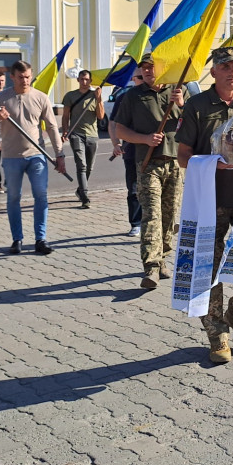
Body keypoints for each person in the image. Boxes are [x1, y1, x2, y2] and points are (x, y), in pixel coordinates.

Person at [176, 46, 233, 363]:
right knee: (208, 271)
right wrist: (212, 164)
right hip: (209, 202)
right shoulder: (197, 106)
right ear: (213, 71)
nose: (232, 71)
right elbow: (183, 156)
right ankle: (217, 334)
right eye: (225, 66)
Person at [109, 53, 184, 289]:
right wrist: (144, 138)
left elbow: (194, 124)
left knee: (170, 217)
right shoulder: (132, 96)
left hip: (174, 162)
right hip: (147, 164)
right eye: (144, 68)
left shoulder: (177, 92)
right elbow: (120, 130)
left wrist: (182, 104)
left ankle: (162, 258)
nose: (148, 72)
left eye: (152, 67)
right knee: (151, 215)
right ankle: (150, 268)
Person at [0, 60, 67, 255]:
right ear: (12, 77)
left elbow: (52, 128)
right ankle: (17, 239)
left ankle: (40, 239)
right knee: (13, 198)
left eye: (28, 76)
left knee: (41, 196)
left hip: (36, 155)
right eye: (21, 77)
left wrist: (59, 154)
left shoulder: (41, 97)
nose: (25, 81)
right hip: (11, 157)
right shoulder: (0, 98)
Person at [61, 69, 104, 209]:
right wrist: (65, 130)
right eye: (82, 79)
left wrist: (98, 99)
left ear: (90, 81)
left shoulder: (95, 95)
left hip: (92, 135)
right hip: (76, 134)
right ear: (78, 80)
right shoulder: (70, 96)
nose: (84, 82)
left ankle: (80, 190)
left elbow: (101, 116)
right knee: (81, 165)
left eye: (87, 79)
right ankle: (85, 196)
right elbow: (65, 115)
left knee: (89, 167)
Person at [109, 71, 144, 238]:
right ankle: (136, 223)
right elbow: (113, 123)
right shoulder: (124, 96)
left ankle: (152, 223)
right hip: (131, 152)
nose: (143, 80)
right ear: (133, 79)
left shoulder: (159, 95)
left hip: (153, 151)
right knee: (134, 190)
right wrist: (116, 143)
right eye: (140, 77)